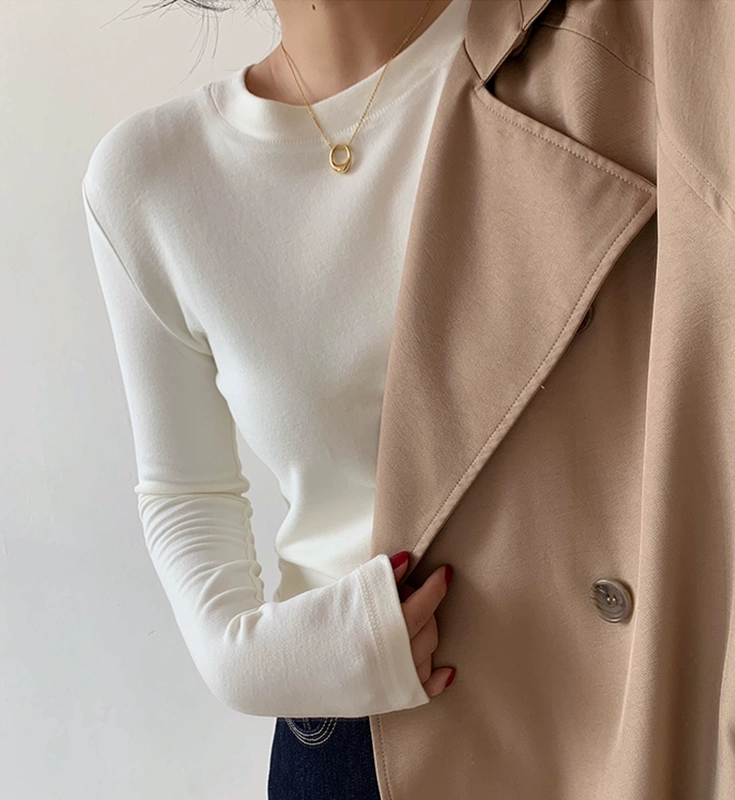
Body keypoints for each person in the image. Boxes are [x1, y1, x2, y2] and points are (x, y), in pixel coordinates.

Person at [82, 1, 468, 797]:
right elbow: (186, 494)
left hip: (620, 667)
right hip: (354, 715)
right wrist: (247, 662)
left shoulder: (567, 51)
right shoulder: (153, 177)